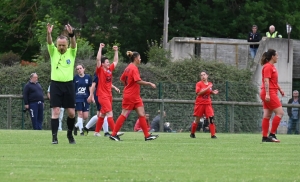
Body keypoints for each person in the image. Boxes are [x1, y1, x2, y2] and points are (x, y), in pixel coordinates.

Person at [109, 51, 159, 141]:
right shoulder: (133, 68)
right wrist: (149, 83)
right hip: (131, 95)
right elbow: (137, 81)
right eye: (139, 58)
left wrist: (128, 86)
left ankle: (147, 136)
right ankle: (113, 134)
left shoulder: (128, 67)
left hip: (135, 96)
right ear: (135, 58)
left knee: (141, 114)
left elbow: (122, 79)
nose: (140, 59)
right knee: (124, 114)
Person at [47, 23, 77, 144]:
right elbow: (49, 42)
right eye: (59, 45)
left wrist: (71, 34)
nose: (61, 47)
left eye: (63, 45)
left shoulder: (71, 52)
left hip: (68, 85)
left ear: (67, 45)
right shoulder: (53, 52)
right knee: (56, 111)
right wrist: (49, 33)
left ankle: (70, 134)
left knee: (71, 113)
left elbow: (74, 43)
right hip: (56, 85)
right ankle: (54, 137)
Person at [93, 43, 119, 135]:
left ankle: (96, 132)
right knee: (109, 113)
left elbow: (115, 61)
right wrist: (100, 48)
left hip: (109, 95)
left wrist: (116, 51)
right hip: (102, 95)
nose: (109, 63)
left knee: (102, 114)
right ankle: (115, 132)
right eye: (107, 62)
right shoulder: (100, 70)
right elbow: (98, 59)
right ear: (103, 64)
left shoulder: (109, 70)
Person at [260, 49, 284, 142]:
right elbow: (266, 81)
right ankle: (272, 134)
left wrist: (280, 89)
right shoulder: (268, 67)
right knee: (280, 113)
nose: (277, 57)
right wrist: (267, 94)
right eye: (276, 55)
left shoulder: (271, 67)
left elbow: (273, 81)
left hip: (270, 92)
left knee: (267, 115)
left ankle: (265, 138)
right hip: (269, 92)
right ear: (272, 56)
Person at [190, 71, 218, 139]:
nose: (203, 76)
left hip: (208, 104)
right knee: (197, 120)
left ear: (207, 75)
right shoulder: (199, 84)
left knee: (211, 119)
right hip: (200, 104)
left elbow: (208, 92)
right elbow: (198, 93)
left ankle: (213, 135)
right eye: (201, 75)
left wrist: (212, 92)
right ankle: (192, 133)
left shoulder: (210, 84)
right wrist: (208, 88)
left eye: (204, 75)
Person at [73, 64, 92, 136]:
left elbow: (90, 87)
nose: (79, 70)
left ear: (84, 69)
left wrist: (91, 96)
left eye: (80, 68)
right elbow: (73, 89)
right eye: (77, 69)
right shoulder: (75, 78)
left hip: (86, 98)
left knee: (85, 116)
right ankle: (81, 131)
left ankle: (76, 126)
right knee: (80, 114)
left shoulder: (88, 77)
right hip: (78, 98)